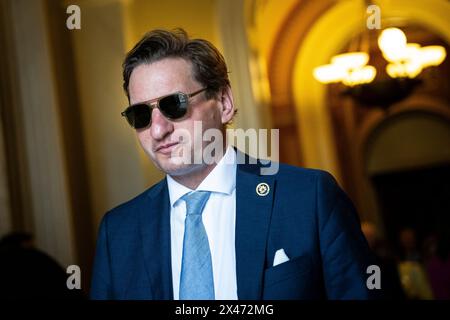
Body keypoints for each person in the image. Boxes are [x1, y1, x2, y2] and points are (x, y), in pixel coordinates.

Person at [90, 28, 379, 300]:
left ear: (224, 103)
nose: (157, 131)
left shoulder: (309, 199)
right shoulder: (118, 232)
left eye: (174, 105)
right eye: (140, 115)